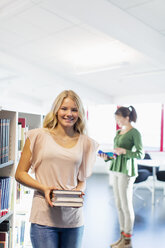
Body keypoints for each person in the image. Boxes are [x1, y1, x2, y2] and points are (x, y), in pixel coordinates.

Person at [15, 90, 99, 248]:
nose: (69, 114)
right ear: (56, 111)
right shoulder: (36, 136)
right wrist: (44, 187)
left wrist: (78, 192)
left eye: (74, 110)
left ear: (80, 114)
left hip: (73, 221)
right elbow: (19, 174)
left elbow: (82, 180)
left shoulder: (86, 143)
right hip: (43, 219)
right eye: (64, 108)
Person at [99, 106, 144, 248]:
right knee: (118, 205)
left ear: (127, 117)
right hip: (116, 169)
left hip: (126, 171)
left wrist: (125, 151)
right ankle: (122, 236)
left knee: (126, 205)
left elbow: (140, 154)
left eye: (119, 118)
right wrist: (107, 157)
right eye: (116, 119)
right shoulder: (119, 132)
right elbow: (116, 152)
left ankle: (127, 240)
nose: (117, 121)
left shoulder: (135, 133)